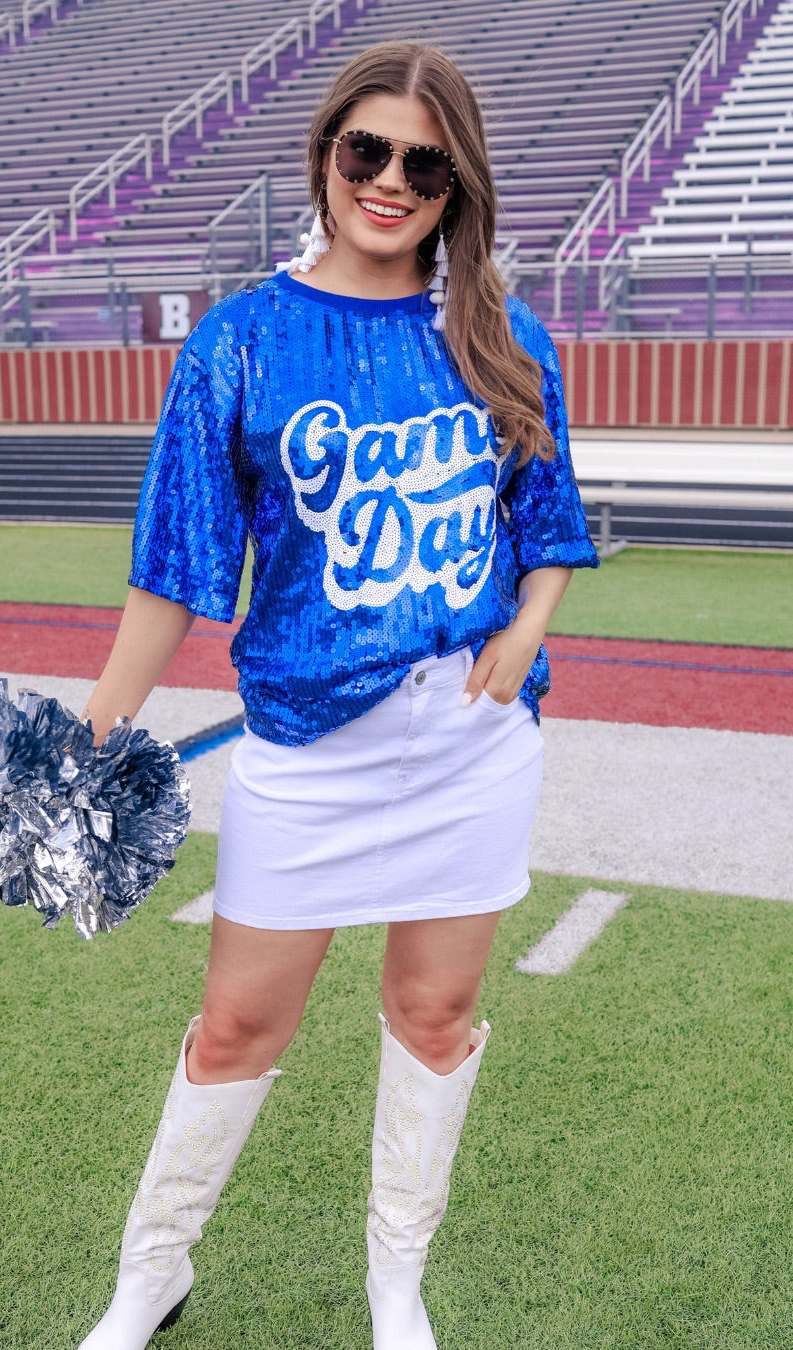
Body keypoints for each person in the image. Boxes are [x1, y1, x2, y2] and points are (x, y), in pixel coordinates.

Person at [77, 40, 598, 1350]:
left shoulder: (502, 334)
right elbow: (178, 567)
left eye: (426, 163)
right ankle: (150, 1275)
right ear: (324, 155)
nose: (392, 180)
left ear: (457, 186)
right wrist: (92, 732)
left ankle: (395, 1285)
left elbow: (549, 525)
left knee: (434, 1013)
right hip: (308, 750)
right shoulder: (241, 340)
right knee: (236, 1023)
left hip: (473, 742)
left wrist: (525, 628)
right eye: (368, 149)